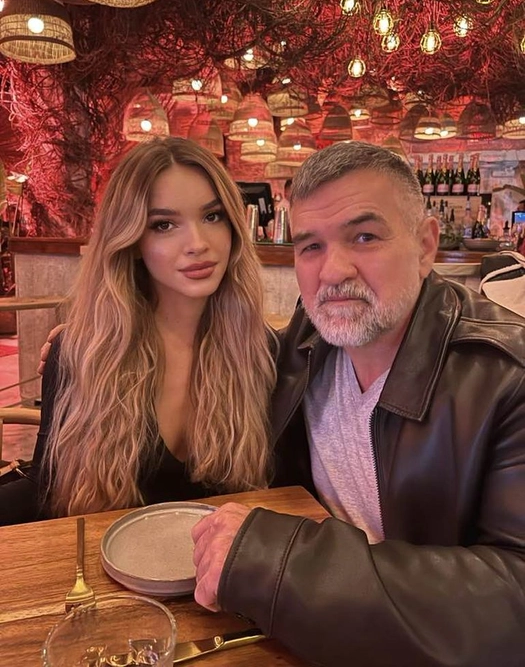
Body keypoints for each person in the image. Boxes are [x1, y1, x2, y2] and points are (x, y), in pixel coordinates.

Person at [192, 141, 525, 667]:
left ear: (425, 246)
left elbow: (514, 602)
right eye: (310, 246)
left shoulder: (507, 378)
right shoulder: (310, 338)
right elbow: (225, 348)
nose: (332, 272)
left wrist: (273, 560)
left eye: (364, 237)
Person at [0, 137, 278, 525]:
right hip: (107, 557)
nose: (198, 244)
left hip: (222, 560)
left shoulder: (261, 351)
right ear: (131, 242)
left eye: (212, 216)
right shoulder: (83, 352)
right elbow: (46, 487)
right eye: (164, 225)